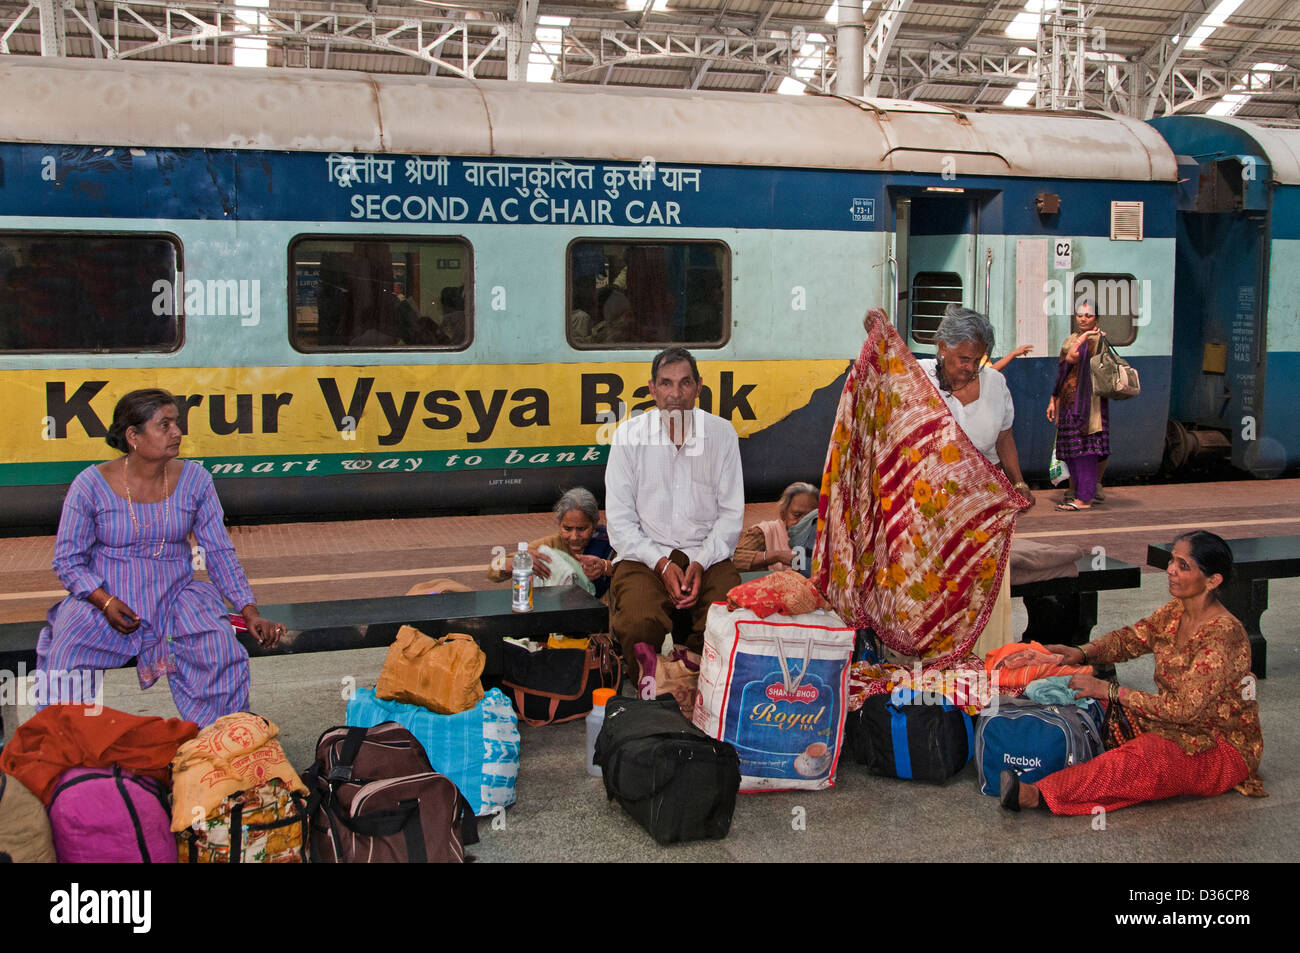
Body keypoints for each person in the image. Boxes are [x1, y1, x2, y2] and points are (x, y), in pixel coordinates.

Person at [36, 389, 283, 727]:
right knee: (66, 652)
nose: (177, 433)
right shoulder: (90, 485)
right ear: (133, 436)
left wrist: (248, 609)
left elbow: (219, 552)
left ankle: (220, 744)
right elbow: (68, 560)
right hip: (107, 597)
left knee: (217, 648)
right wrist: (104, 602)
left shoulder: (196, 480)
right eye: (164, 425)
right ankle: (63, 748)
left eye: (176, 423)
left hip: (177, 596)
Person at [1002, 530, 1265, 813]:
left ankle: (1036, 794)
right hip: (1170, 724)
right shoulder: (1177, 611)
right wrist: (1081, 652)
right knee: (1084, 696)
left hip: (1215, 747)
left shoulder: (1223, 635)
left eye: (1183, 566)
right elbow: (1131, 638)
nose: (1171, 570)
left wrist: (1112, 690)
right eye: (1173, 561)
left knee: (1142, 758)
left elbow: (1185, 710)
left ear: (1213, 581)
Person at [605, 346, 744, 681]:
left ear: (699, 387)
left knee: (730, 612)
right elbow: (621, 523)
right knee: (638, 620)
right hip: (645, 557)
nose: (676, 394)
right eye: (666, 384)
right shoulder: (629, 436)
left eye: (685, 384)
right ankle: (648, 688)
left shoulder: (721, 434)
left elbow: (730, 515)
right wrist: (662, 564)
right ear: (652, 389)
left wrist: (701, 561)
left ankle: (698, 678)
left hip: (705, 555)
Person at [918, 305, 1034, 657]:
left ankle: (982, 657)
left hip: (982, 509)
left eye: (977, 359)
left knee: (981, 589)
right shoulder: (917, 378)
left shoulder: (995, 383)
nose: (969, 367)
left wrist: (1020, 483)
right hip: (929, 510)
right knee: (936, 592)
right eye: (962, 358)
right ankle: (936, 660)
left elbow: (1004, 438)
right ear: (942, 347)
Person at [487, 487, 616, 599]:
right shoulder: (550, 545)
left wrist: (605, 567)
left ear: (594, 525)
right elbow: (493, 570)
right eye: (567, 528)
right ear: (559, 525)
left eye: (582, 529)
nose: (574, 537)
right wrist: (516, 562)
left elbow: (628, 569)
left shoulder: (609, 544)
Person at [1047, 300, 1109, 511]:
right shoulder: (1070, 340)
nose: (1083, 318)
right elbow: (1061, 372)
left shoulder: (1097, 341)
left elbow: (1074, 357)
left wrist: (1085, 336)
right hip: (1068, 402)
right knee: (1072, 450)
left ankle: (1085, 498)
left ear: (1096, 319)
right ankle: (1080, 494)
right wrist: (1053, 399)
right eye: (1080, 315)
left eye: (1088, 315)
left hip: (1088, 404)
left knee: (1086, 451)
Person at [733, 481, 818, 573]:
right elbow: (733, 559)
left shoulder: (822, 536)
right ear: (783, 514)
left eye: (810, 517)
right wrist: (777, 556)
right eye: (797, 515)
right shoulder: (765, 532)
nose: (803, 521)